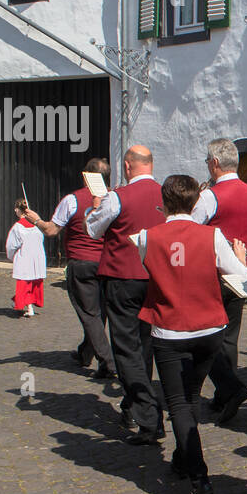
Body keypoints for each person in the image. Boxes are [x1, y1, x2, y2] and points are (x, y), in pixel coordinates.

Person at [132, 175, 247, 494]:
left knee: (179, 405)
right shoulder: (212, 235)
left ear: (165, 202)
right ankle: (183, 459)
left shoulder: (147, 237)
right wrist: (240, 258)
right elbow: (239, 276)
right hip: (209, 328)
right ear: (195, 202)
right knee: (190, 397)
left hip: (170, 332)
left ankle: (199, 478)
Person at [87, 145, 165, 444]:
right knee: (144, 345)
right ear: (151, 164)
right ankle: (132, 406)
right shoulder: (164, 194)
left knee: (126, 349)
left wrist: (94, 207)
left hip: (123, 277)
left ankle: (148, 416)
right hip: (155, 277)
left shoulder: (117, 197)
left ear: (129, 166)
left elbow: (93, 230)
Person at [23, 158, 115, 378]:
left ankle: (108, 362)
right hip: (107, 262)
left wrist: (36, 219)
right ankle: (85, 353)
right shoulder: (113, 198)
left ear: (86, 176)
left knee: (90, 314)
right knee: (98, 313)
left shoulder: (72, 200)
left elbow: (52, 230)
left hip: (82, 261)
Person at [192, 138, 247, 425]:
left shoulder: (210, 196)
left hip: (214, 272)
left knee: (206, 334)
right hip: (241, 270)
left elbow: (191, 228)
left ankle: (228, 389)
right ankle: (224, 394)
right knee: (230, 334)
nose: (208, 167)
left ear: (216, 164)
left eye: (208, 162)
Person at [6, 199, 46, 317]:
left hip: (24, 257)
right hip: (37, 257)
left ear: (19, 210)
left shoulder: (18, 227)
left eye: (16, 209)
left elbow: (12, 245)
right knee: (33, 283)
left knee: (24, 283)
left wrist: (11, 256)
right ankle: (28, 306)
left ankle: (27, 305)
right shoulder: (37, 225)